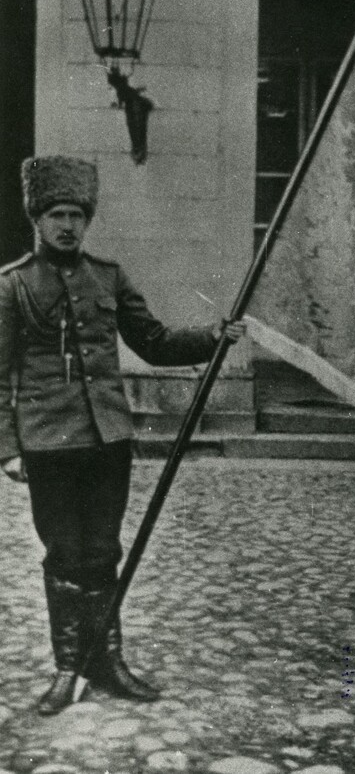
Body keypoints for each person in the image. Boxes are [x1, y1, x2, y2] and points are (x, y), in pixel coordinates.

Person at [0, 155, 245, 716]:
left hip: (108, 440)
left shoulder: (108, 277)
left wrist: (213, 336)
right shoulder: (12, 286)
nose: (68, 225)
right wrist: (8, 448)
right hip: (47, 443)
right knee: (65, 552)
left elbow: (154, 341)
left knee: (104, 550)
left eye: (77, 216)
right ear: (37, 220)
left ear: (87, 220)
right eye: (56, 214)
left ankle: (106, 660)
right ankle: (67, 668)